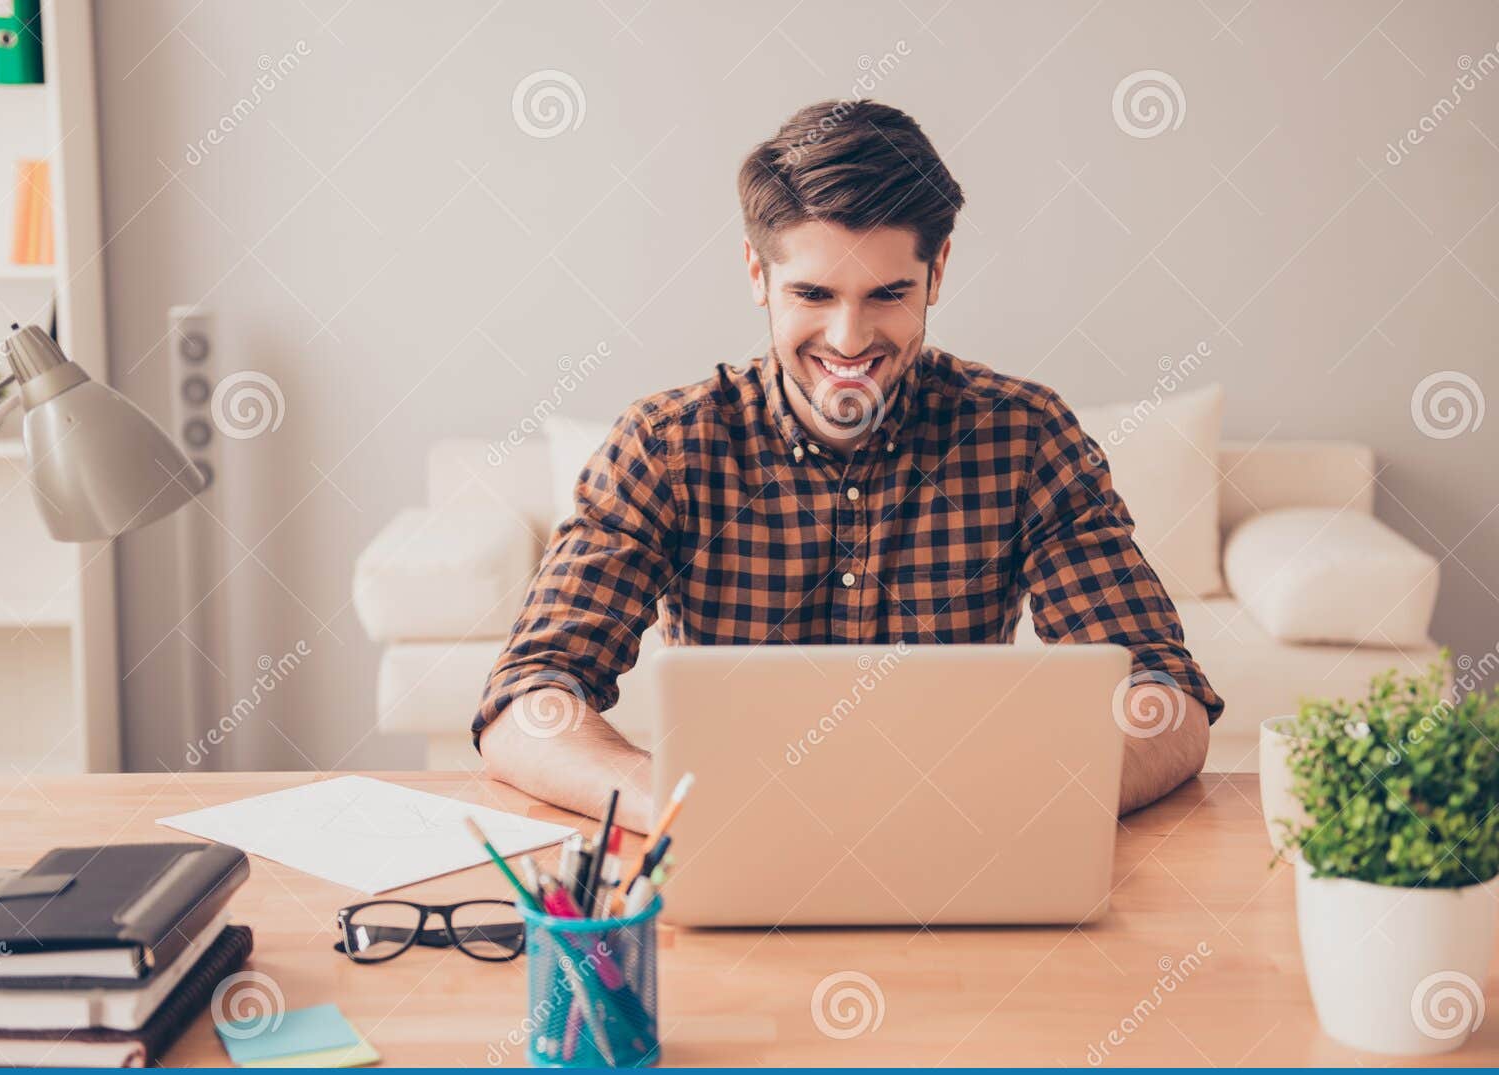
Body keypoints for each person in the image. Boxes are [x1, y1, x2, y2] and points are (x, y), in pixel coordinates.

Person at [472, 100, 1221, 832]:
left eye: (888, 294)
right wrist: (662, 800)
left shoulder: (1023, 437)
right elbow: (527, 699)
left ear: (937, 273)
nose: (848, 338)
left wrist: (1027, 809)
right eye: (813, 293)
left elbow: (1163, 694)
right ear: (757, 274)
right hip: (734, 849)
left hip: (960, 846)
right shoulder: (665, 445)